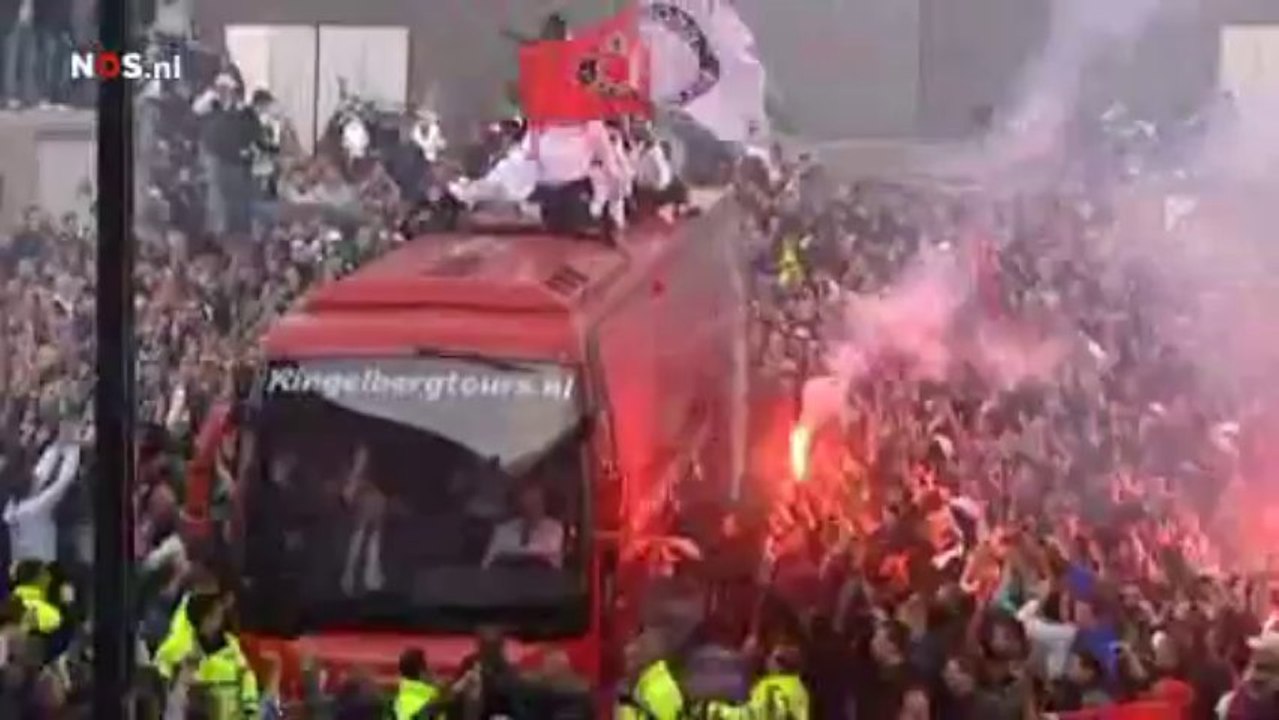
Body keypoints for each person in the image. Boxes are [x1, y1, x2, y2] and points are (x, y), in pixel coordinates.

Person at [483, 484, 565, 569]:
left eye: (536, 504)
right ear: (520, 507)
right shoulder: (502, 530)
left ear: (544, 505)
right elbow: (487, 564)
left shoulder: (555, 529)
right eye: (527, 504)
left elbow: (549, 558)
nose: (532, 510)